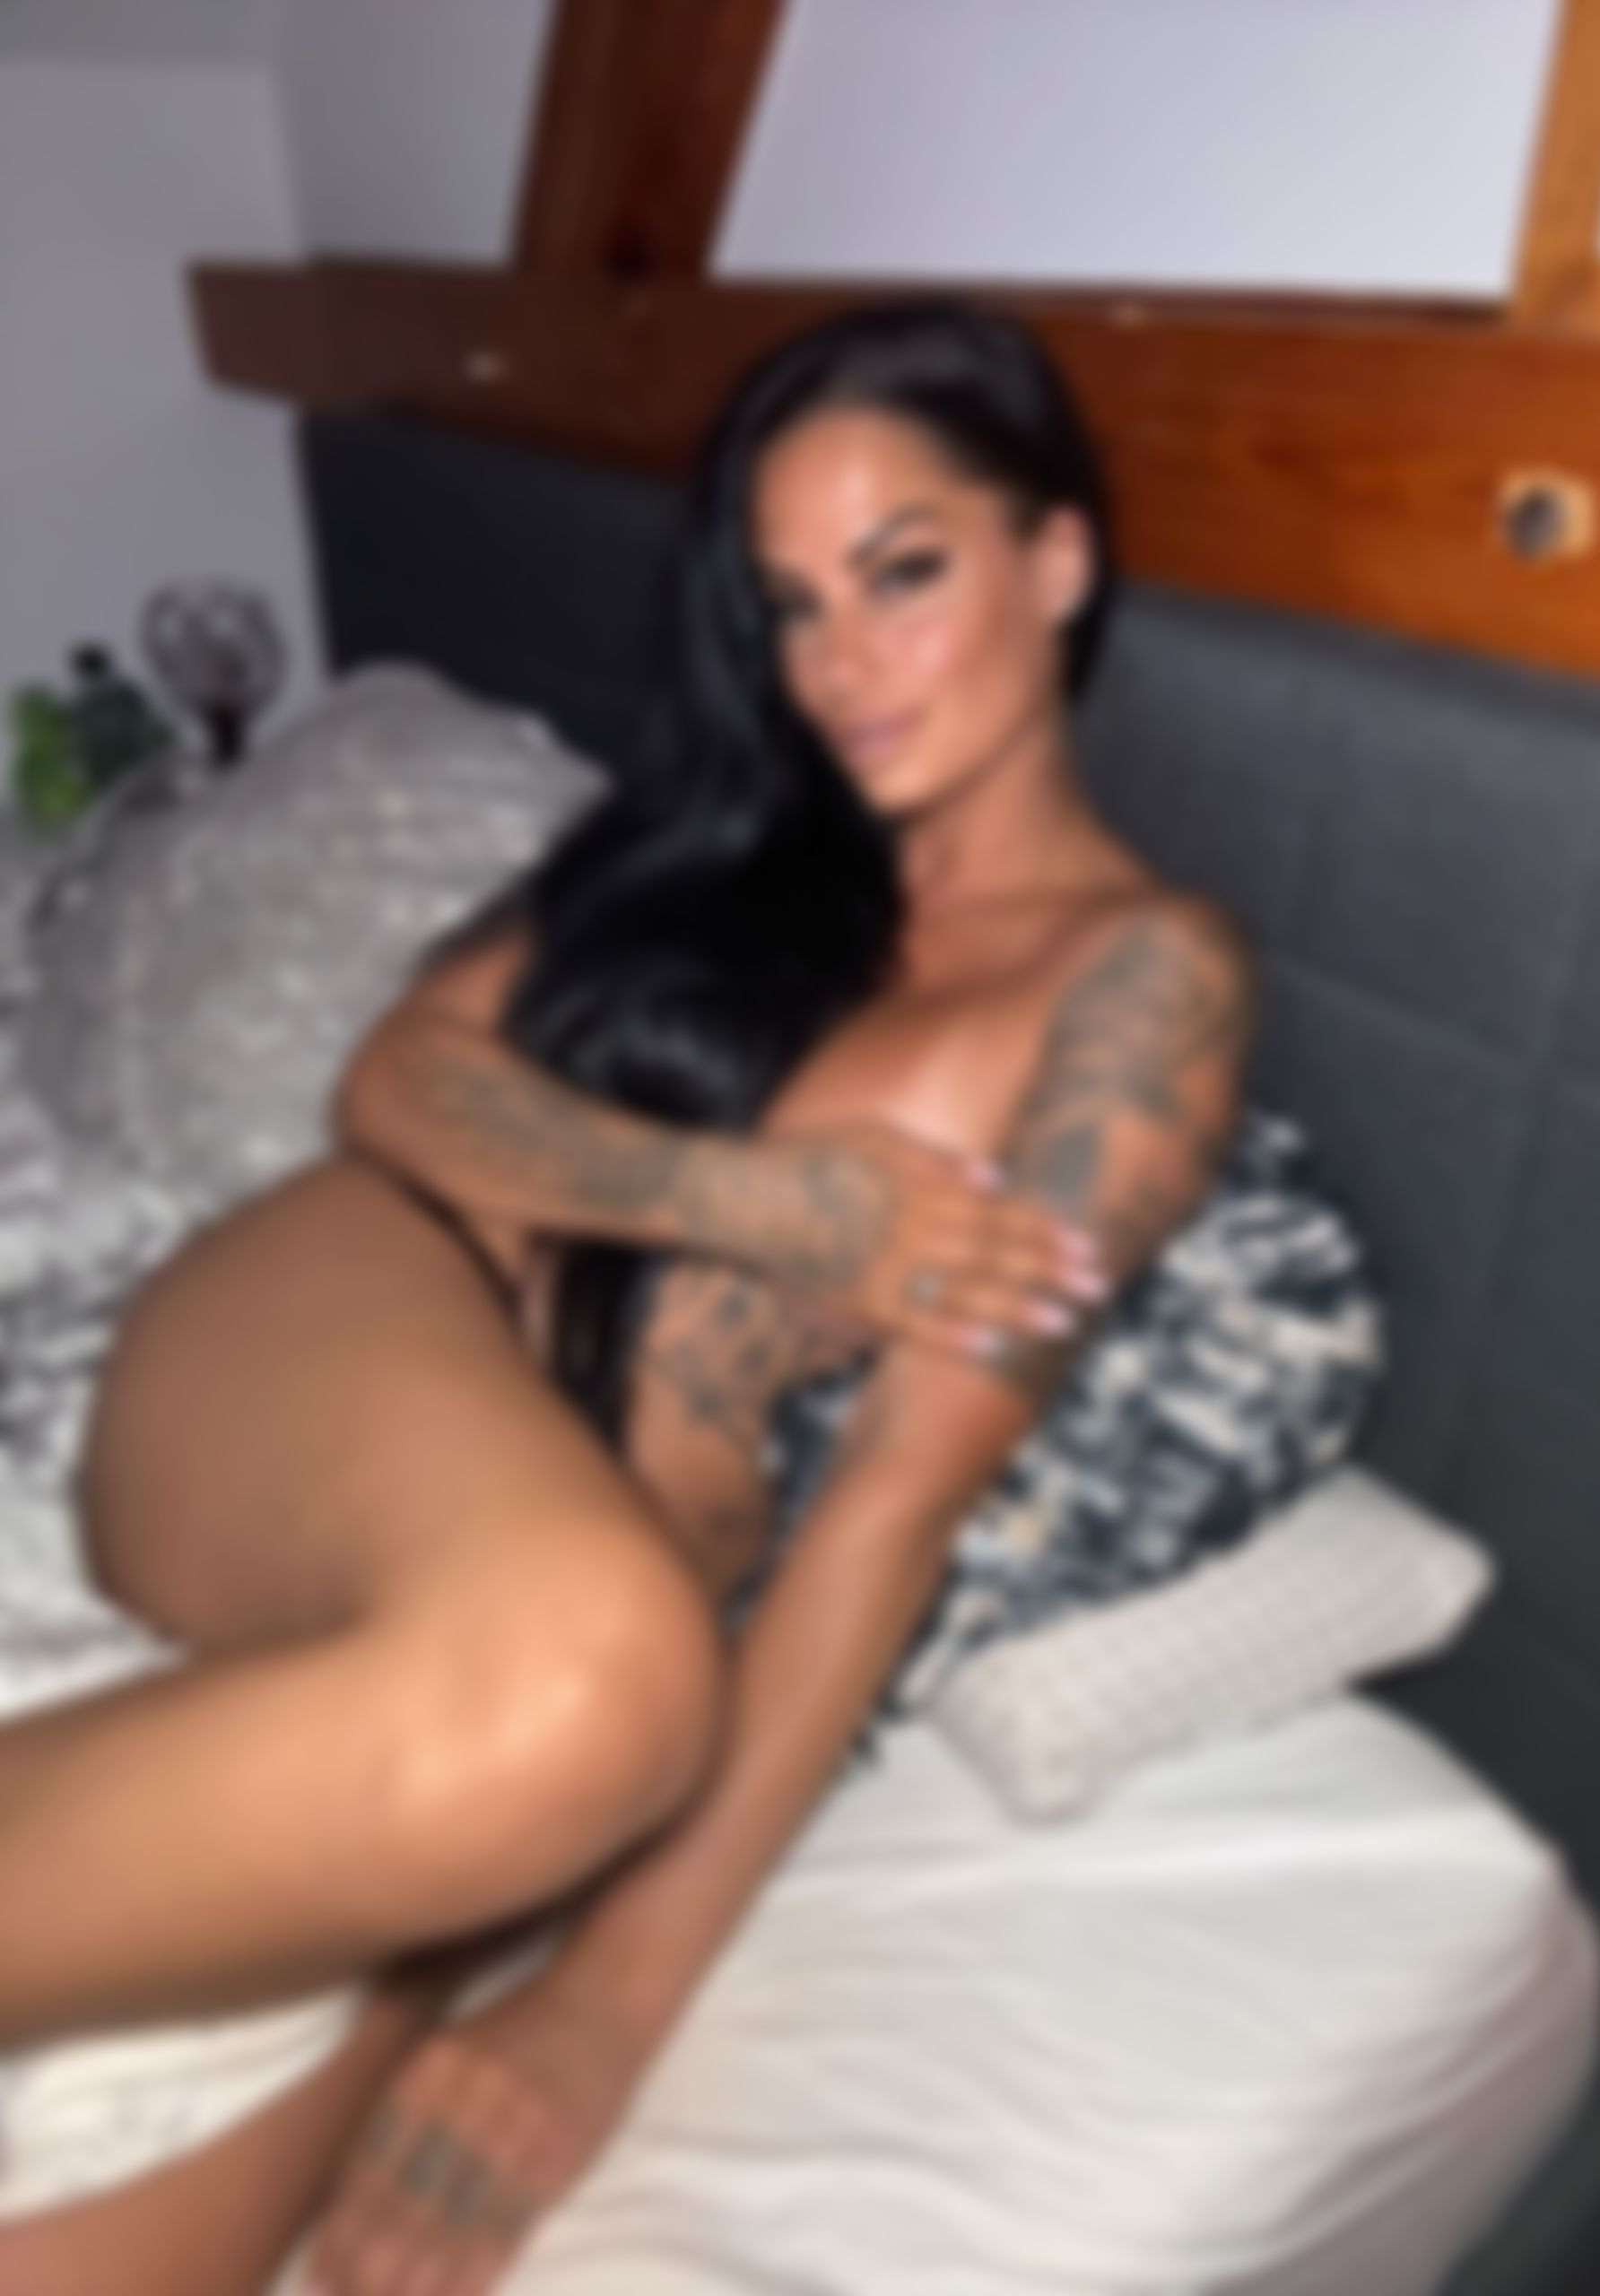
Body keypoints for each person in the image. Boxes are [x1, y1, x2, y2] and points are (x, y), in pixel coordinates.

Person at [0, 300, 1251, 2296]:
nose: (838, 667)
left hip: (538, 1676)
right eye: (790, 607)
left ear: (1058, 559)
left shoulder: (1141, 980)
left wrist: (589, 2009)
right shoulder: (712, 847)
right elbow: (398, 1085)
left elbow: (896, 1502)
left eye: (902, 574)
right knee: (593, 1678)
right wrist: (759, 1201)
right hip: (326, 1348)